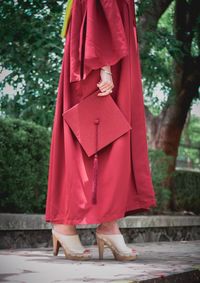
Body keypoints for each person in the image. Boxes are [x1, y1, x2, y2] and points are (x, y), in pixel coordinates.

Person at [45, 0, 157, 261]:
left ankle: (109, 224)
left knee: (113, 140)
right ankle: (64, 224)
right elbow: (98, 9)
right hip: (99, 60)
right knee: (86, 138)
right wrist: (104, 68)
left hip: (114, 57)